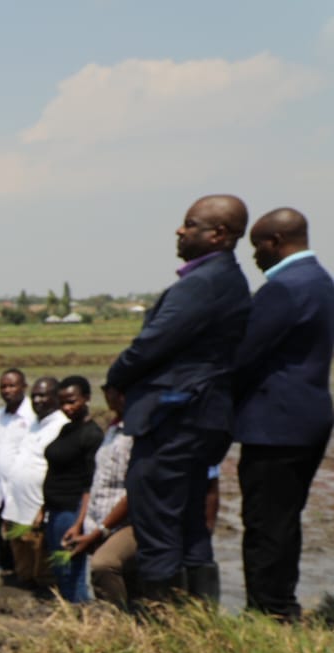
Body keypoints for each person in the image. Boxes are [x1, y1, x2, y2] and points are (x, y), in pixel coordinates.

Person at [106, 194, 252, 602]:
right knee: (188, 521)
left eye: (190, 224)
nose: (180, 230)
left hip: (176, 417)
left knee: (156, 518)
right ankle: (198, 624)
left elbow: (152, 343)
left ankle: (161, 623)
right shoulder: (226, 279)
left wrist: (116, 376)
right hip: (202, 415)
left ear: (219, 234)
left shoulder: (204, 283)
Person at [232, 207, 334, 620]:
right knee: (283, 519)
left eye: (257, 246)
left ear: (275, 242)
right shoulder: (321, 281)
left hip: (275, 423)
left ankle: (269, 611)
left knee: (264, 523)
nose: (254, 257)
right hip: (307, 416)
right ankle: (279, 605)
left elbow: (243, 356)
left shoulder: (283, 288)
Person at [66, 382, 136, 608]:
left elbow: (134, 492)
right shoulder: (112, 429)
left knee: (103, 565)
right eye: (107, 390)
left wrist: (100, 530)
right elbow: (97, 483)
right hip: (100, 521)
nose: (110, 395)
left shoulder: (137, 432)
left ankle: (118, 621)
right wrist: (81, 524)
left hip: (125, 522)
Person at [40, 376, 103, 603]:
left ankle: (80, 615)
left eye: (72, 401)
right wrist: (43, 509)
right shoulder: (67, 429)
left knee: (71, 571)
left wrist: (79, 524)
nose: (67, 408)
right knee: (59, 569)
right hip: (55, 510)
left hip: (72, 511)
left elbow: (90, 484)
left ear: (86, 398)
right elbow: (55, 471)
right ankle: (69, 614)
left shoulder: (92, 435)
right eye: (62, 402)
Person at [0, 377, 66, 589]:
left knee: (43, 572)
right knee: (23, 570)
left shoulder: (61, 426)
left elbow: (58, 473)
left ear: (57, 398)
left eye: (43, 395)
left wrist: (44, 509)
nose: (37, 400)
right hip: (16, 509)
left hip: (36, 511)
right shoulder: (34, 424)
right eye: (35, 395)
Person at [0, 368, 36, 570]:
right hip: (0, 493)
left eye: (12, 385)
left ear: (24, 387)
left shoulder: (34, 415)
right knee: (4, 546)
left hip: (23, 494)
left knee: (26, 543)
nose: (7, 390)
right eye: (3, 386)